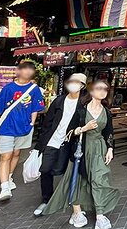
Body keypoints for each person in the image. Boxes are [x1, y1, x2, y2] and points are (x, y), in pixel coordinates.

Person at [43, 80, 119, 229]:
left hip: (99, 150)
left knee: (99, 180)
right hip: (81, 150)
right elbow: (70, 132)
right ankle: (77, 212)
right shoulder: (81, 110)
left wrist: (110, 148)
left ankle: (100, 216)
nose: (103, 91)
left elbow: (108, 133)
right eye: (99, 88)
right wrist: (84, 128)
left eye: (105, 89)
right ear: (91, 91)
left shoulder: (106, 111)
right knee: (77, 181)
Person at [0, 60, 45, 201]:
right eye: (24, 69)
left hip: (24, 128)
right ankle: (4, 187)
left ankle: (9, 176)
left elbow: (35, 108)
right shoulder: (8, 89)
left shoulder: (35, 89)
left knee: (16, 154)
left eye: (30, 69)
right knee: (5, 156)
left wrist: (32, 123)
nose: (27, 71)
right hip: (6, 128)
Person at [33, 73, 87, 216]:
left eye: (77, 82)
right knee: (45, 169)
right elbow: (48, 123)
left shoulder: (84, 103)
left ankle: (72, 201)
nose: (73, 84)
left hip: (71, 142)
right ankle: (46, 199)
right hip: (53, 140)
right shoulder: (59, 101)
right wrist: (40, 144)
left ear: (82, 85)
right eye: (71, 81)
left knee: (68, 171)